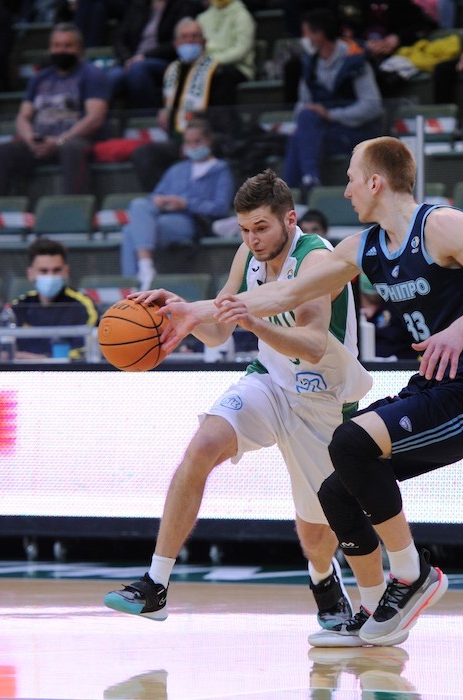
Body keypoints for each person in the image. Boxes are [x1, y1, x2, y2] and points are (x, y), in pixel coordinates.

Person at [158, 137, 463, 646]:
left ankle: (412, 573)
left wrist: (458, 330)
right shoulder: (362, 247)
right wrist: (196, 311)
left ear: (376, 182)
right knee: (337, 488)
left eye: (354, 178)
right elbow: (289, 293)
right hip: (432, 385)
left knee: (350, 444)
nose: (347, 189)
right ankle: (375, 609)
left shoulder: (441, 226)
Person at [105, 169, 374, 638]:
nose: (253, 239)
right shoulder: (247, 255)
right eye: (245, 230)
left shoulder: (317, 260)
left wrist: (253, 321)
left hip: (322, 399)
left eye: (262, 228)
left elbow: (311, 343)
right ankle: (156, 583)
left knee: (316, 535)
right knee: (202, 445)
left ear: (290, 220)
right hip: (268, 381)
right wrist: (183, 311)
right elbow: (219, 330)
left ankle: (324, 579)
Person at [0, 24, 110, 197]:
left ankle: (75, 208)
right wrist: (31, 140)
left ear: (80, 49)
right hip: (40, 141)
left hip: (75, 139)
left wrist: (59, 141)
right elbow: (23, 117)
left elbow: (95, 118)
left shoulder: (92, 74)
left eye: (68, 46)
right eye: (57, 46)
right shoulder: (40, 78)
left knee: (72, 150)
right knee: (1, 152)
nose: (61, 51)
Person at [120, 118, 234, 289]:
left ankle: (133, 286)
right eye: (189, 142)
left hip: (192, 221)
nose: (193, 146)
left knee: (131, 231)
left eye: (198, 141)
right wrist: (159, 200)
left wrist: (186, 203)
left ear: (209, 140)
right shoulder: (177, 169)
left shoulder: (221, 170)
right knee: (138, 205)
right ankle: (145, 268)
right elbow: (155, 195)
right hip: (165, 213)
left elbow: (220, 207)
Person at [128, 17, 238, 191]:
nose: (189, 41)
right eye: (184, 37)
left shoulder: (219, 72)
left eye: (195, 36)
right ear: (176, 43)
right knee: (144, 154)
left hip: (210, 138)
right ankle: (161, 198)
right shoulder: (172, 71)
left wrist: (194, 139)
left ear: (204, 41)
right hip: (178, 140)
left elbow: (224, 117)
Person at [283, 8, 383, 191]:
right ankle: (307, 179)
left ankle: (294, 189)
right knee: (304, 123)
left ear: (319, 35)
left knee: (299, 138)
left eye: (306, 34)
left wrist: (331, 115)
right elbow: (302, 104)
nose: (303, 40)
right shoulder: (309, 64)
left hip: (357, 132)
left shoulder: (355, 60)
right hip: (323, 132)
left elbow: (372, 106)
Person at [10, 237, 97, 361]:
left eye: (56, 270)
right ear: (31, 274)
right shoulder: (19, 306)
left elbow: (87, 347)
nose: (50, 276)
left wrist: (44, 359)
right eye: (43, 271)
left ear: (66, 271)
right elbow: (4, 348)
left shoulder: (83, 305)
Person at [109, 0, 201, 110]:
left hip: (163, 59)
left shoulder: (182, 6)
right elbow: (119, 38)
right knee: (113, 77)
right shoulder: (138, 6)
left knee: (138, 70)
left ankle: (148, 117)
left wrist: (145, 56)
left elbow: (176, 42)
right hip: (131, 59)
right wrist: (127, 58)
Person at [195, 0, 255, 91]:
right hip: (204, 65)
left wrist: (214, 61)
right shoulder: (202, 18)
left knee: (221, 74)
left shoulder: (242, 16)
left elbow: (242, 49)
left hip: (238, 67)